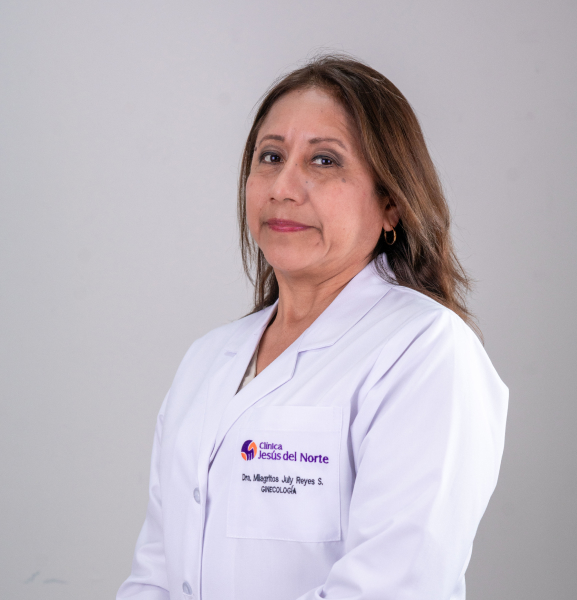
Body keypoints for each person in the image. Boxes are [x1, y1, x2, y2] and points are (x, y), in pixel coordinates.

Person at [117, 54, 508, 600]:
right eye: (271, 156)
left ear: (391, 203)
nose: (283, 186)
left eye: (324, 161)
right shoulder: (207, 360)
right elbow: (155, 573)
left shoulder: (425, 351)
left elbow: (393, 586)